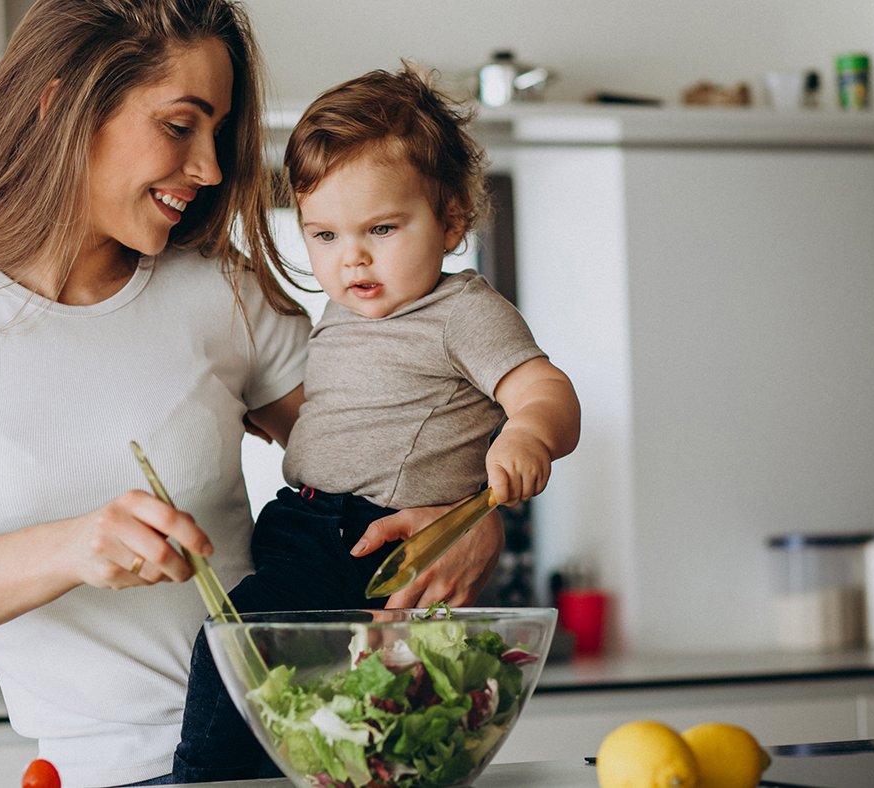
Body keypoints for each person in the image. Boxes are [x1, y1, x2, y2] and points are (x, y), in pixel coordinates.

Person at [0, 3, 504, 786]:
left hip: (316, 748)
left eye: (217, 132)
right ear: (63, 106)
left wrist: (478, 520)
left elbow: (392, 456)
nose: (210, 168)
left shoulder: (224, 292)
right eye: (181, 125)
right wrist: (76, 545)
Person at [173, 67, 582, 783]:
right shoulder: (343, 307)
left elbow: (546, 390)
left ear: (451, 221)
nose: (351, 257)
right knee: (334, 714)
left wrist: (527, 433)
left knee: (232, 644)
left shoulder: (463, 311)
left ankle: (202, 781)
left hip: (368, 544)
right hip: (300, 527)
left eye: (382, 229)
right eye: (324, 234)